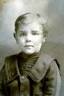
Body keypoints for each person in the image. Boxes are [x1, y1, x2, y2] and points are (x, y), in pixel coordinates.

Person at [0, 12, 61, 96]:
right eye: (22, 34)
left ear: (43, 37)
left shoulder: (50, 65)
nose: (28, 39)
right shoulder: (8, 65)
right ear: (15, 37)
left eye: (34, 33)